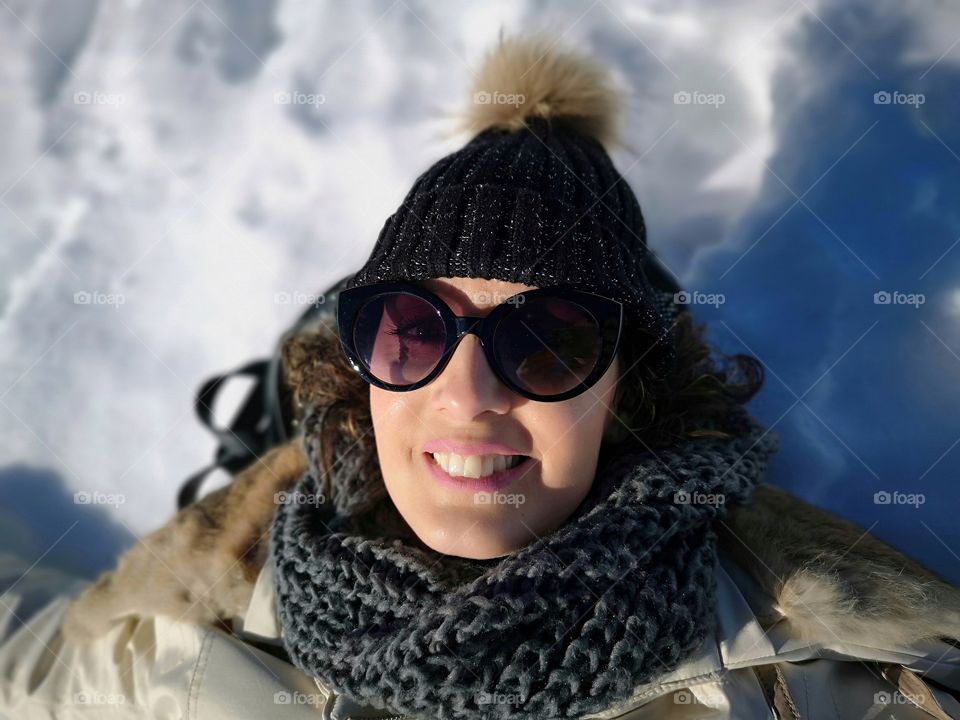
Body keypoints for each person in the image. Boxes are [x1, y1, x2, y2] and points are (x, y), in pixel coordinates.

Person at [3, 32, 960, 720]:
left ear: (624, 387)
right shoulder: (188, 637)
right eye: (410, 332)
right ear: (359, 372)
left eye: (547, 341)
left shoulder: (829, 678)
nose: (466, 397)